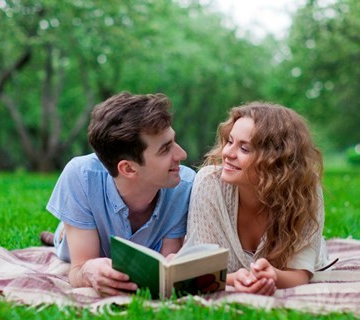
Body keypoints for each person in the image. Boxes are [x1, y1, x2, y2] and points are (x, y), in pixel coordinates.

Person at [44, 92, 195, 296]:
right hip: (82, 230)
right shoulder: (81, 176)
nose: (182, 155)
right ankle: (61, 232)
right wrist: (87, 271)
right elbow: (78, 270)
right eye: (165, 149)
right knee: (66, 243)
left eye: (173, 141)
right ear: (129, 169)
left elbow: (167, 270)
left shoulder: (184, 184)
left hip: (138, 244)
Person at [186, 101, 331, 296]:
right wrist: (232, 279)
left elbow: (300, 273)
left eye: (244, 149)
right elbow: (200, 267)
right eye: (230, 141)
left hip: (308, 261)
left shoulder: (305, 190)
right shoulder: (209, 183)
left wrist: (274, 276)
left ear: (276, 162)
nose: (227, 153)